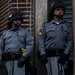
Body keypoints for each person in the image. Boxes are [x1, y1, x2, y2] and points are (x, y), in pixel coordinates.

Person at [38, 1, 73, 75]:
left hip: (62, 58)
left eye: (62, 10)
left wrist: (65, 54)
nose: (60, 11)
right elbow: (41, 41)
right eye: (58, 9)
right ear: (53, 11)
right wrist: (42, 54)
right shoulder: (45, 26)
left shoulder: (67, 26)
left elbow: (70, 41)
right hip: (49, 58)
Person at [0, 9, 34, 75]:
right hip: (7, 62)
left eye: (19, 20)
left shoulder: (25, 32)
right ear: (11, 21)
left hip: (20, 61)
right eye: (16, 20)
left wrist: (24, 56)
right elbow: (0, 47)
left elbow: (30, 44)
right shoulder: (5, 33)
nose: (18, 21)